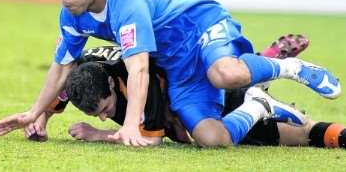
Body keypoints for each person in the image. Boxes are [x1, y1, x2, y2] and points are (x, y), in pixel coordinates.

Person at [0, 0, 341, 148]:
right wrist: (35, 113)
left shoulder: (125, 2)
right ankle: (259, 103)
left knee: (224, 73)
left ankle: (293, 69)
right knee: (210, 139)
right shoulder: (71, 15)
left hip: (200, 24)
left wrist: (127, 127)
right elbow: (62, 67)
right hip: (176, 64)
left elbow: (139, 69)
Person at [27, 37, 345, 149]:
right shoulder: (84, 73)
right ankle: (265, 64)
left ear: (114, 84)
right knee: (290, 134)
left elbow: (150, 139)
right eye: (97, 115)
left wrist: (98, 134)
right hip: (187, 90)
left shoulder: (140, 81)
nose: (103, 116)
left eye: (106, 109)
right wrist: (39, 118)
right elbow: (60, 88)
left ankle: (260, 91)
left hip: (199, 94)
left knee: (293, 135)